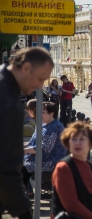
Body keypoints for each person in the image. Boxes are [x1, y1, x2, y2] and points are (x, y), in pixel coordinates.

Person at [0, 47, 53, 219]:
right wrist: (24, 213)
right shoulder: (8, 101)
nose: (39, 86)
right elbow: (6, 165)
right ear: (26, 68)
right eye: (39, 79)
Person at [50, 122, 92, 218]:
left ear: (90, 143)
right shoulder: (63, 168)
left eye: (82, 139)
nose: (77, 143)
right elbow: (71, 204)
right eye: (74, 139)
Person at [22, 102, 66, 191]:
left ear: (51, 114)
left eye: (43, 112)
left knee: (20, 169)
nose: (40, 114)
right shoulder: (46, 125)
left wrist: (23, 151)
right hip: (42, 158)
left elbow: (43, 148)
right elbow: (33, 143)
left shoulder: (54, 127)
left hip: (50, 162)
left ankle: (19, 195)